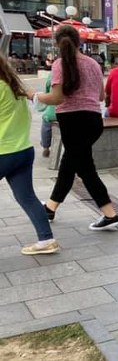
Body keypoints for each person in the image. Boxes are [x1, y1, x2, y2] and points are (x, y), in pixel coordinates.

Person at [35, 25, 118, 230]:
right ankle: (50, 207)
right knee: (70, 164)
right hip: (93, 120)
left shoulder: (60, 64)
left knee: (85, 169)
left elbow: (57, 98)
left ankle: (110, 214)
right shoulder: (93, 63)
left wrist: (33, 96)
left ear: (57, 44)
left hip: (72, 122)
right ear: (79, 42)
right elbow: (100, 96)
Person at [1, 54, 59, 255]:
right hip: (23, 151)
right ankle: (46, 239)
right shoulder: (14, 87)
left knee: (26, 197)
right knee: (26, 197)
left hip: (4, 153)